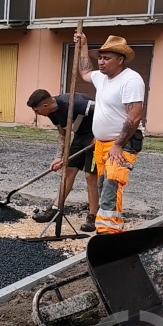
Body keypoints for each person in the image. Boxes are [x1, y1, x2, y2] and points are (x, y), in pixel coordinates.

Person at [74, 33, 146, 234]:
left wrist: (117, 145)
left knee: (111, 186)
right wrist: (84, 45)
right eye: (100, 58)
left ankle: (107, 234)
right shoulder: (101, 78)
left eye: (107, 58)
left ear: (120, 59)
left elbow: (134, 117)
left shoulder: (131, 80)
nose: (101, 62)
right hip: (102, 143)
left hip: (123, 143)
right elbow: (85, 72)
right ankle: (112, 228)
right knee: (103, 184)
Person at [26, 89, 99, 232]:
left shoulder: (75, 103)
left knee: (90, 176)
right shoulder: (52, 114)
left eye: (36, 110)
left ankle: (92, 217)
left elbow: (103, 111)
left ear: (45, 106)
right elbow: (63, 134)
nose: (36, 113)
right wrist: (59, 157)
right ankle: (55, 209)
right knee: (68, 172)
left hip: (95, 137)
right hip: (80, 136)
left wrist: (100, 134)